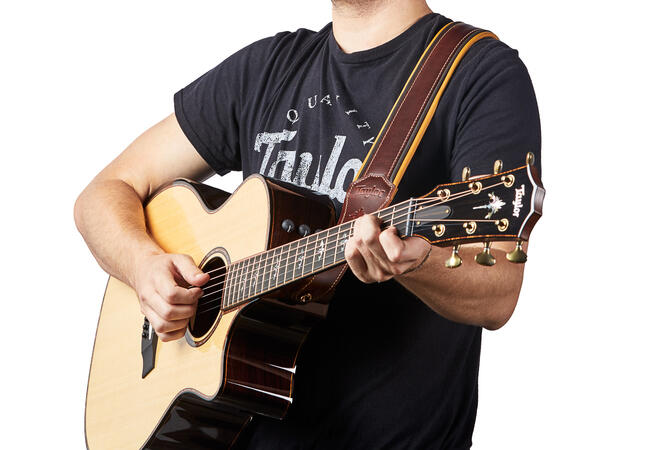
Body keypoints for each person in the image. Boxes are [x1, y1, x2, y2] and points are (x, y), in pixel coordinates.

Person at [75, 0, 541, 448]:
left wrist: (417, 263)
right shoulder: (266, 69)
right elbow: (102, 195)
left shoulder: (479, 73)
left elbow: (498, 292)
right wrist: (143, 266)